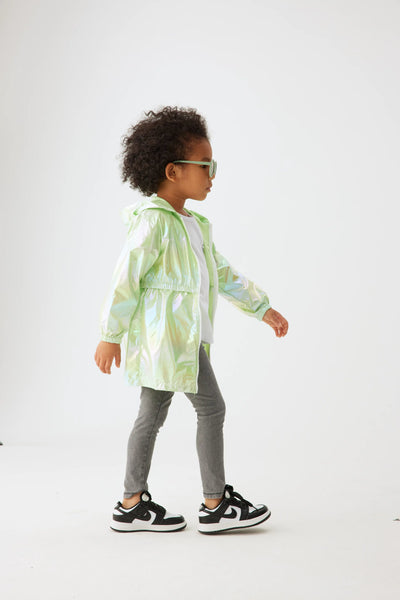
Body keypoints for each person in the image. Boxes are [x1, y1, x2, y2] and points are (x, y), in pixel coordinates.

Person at [94, 106, 289, 534]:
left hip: (185, 339)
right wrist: (110, 335)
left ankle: (131, 502)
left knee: (151, 415)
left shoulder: (194, 225)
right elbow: (125, 279)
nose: (212, 176)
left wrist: (261, 307)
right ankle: (214, 503)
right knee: (211, 409)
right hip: (167, 341)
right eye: (206, 166)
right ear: (173, 170)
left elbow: (221, 272)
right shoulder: (152, 223)